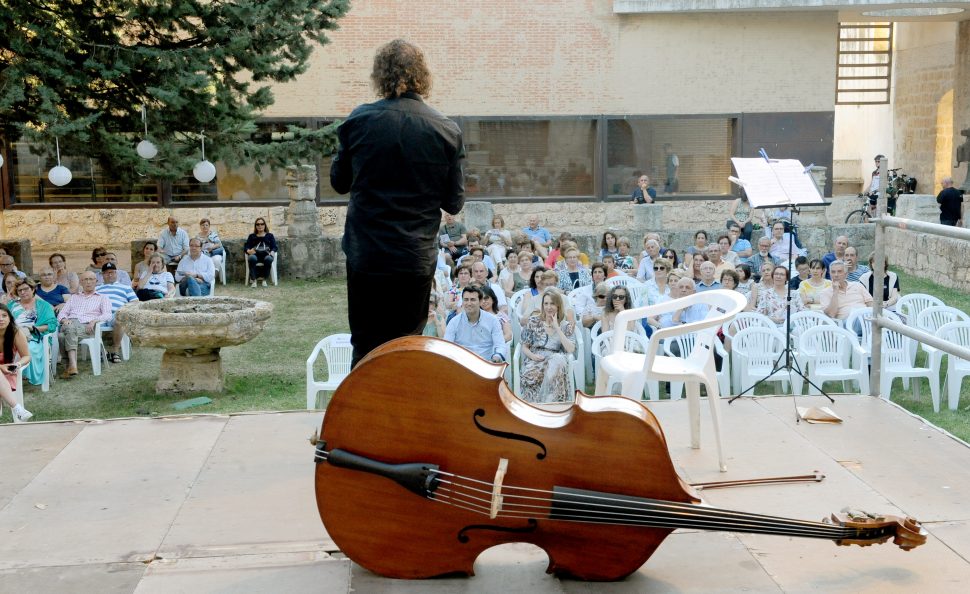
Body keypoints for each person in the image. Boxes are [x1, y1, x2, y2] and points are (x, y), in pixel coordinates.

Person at [330, 40, 465, 366]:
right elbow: (454, 201)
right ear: (422, 76)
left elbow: (339, 183)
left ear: (381, 75)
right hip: (413, 257)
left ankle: (360, 415)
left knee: (364, 343)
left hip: (367, 254)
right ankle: (400, 415)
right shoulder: (446, 130)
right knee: (406, 345)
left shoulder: (359, 120)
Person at [519, 289, 575, 403]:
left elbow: (570, 349)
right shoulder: (533, 321)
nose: (549, 307)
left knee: (557, 360)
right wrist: (533, 356)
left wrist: (557, 328)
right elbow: (524, 346)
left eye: (552, 303)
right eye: (546, 303)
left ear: (558, 305)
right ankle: (541, 403)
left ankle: (549, 403)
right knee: (534, 374)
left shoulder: (565, 325)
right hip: (536, 358)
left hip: (555, 358)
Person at [57, 271, 112, 378]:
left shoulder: (102, 297)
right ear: (81, 282)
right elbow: (63, 313)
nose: (88, 282)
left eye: (91, 279)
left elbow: (108, 315)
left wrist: (94, 321)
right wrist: (64, 320)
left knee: (61, 336)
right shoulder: (74, 297)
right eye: (85, 279)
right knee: (70, 327)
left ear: (96, 281)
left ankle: (69, 366)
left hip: (87, 327)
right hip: (70, 323)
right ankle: (73, 366)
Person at [7, 279, 57, 386]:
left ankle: (20, 375)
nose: (23, 292)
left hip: (36, 337)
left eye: (26, 289)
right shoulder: (11, 305)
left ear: (33, 289)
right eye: (20, 290)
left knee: (28, 348)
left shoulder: (44, 305)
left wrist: (32, 328)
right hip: (12, 335)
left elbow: (51, 325)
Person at [444, 285, 508, 363]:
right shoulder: (454, 322)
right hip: (462, 364)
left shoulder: (492, 320)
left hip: (487, 362)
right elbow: (447, 346)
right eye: (466, 300)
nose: (469, 303)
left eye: (473, 300)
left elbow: (500, 345)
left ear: (480, 302)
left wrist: (495, 359)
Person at [96, 263, 138, 363]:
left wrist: (125, 309)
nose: (109, 275)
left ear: (116, 273)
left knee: (120, 318)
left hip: (116, 313)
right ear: (102, 275)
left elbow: (135, 303)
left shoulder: (125, 287)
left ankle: (115, 350)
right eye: (106, 273)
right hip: (99, 315)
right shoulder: (97, 289)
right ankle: (103, 352)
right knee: (89, 323)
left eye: (112, 272)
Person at [0, 308, 33, 421]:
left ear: (10, 318)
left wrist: (18, 365)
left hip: (8, 372)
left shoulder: (16, 332)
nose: (1, 319)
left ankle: (16, 408)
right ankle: (16, 407)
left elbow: (27, 356)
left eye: (4, 315)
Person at [244, 217, 278, 287]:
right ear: (255, 226)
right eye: (258, 224)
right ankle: (254, 280)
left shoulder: (270, 236)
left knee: (269, 259)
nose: (260, 226)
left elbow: (274, 247)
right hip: (255, 255)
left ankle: (264, 280)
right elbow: (246, 247)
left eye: (262, 224)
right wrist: (248, 251)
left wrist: (272, 251)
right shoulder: (252, 236)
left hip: (266, 255)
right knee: (252, 258)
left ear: (265, 225)